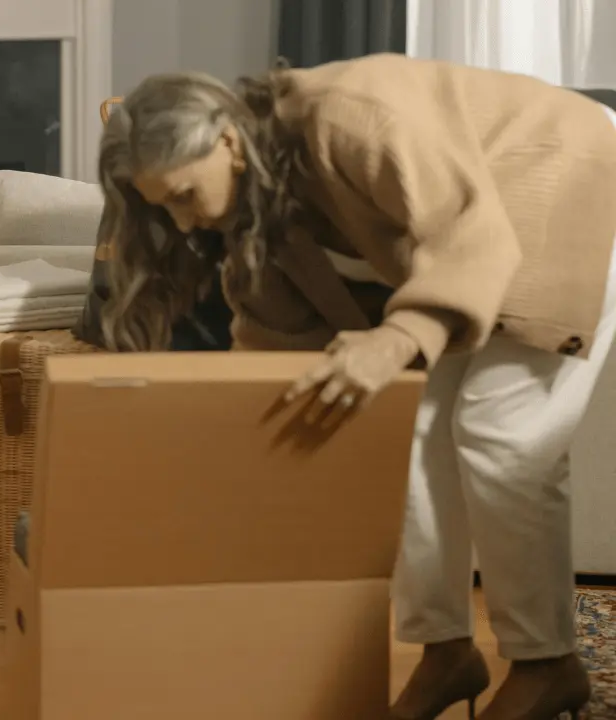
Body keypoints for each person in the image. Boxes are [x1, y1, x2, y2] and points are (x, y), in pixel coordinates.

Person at [97, 54, 616, 720]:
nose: (184, 223)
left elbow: (470, 235)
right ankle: (446, 652)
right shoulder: (256, 214)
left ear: (226, 141)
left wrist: (396, 341)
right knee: (411, 432)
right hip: (477, 238)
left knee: (499, 428)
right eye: (163, 208)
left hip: (569, 178)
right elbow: (271, 352)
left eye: (182, 196)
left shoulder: (350, 116)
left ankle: (548, 665)